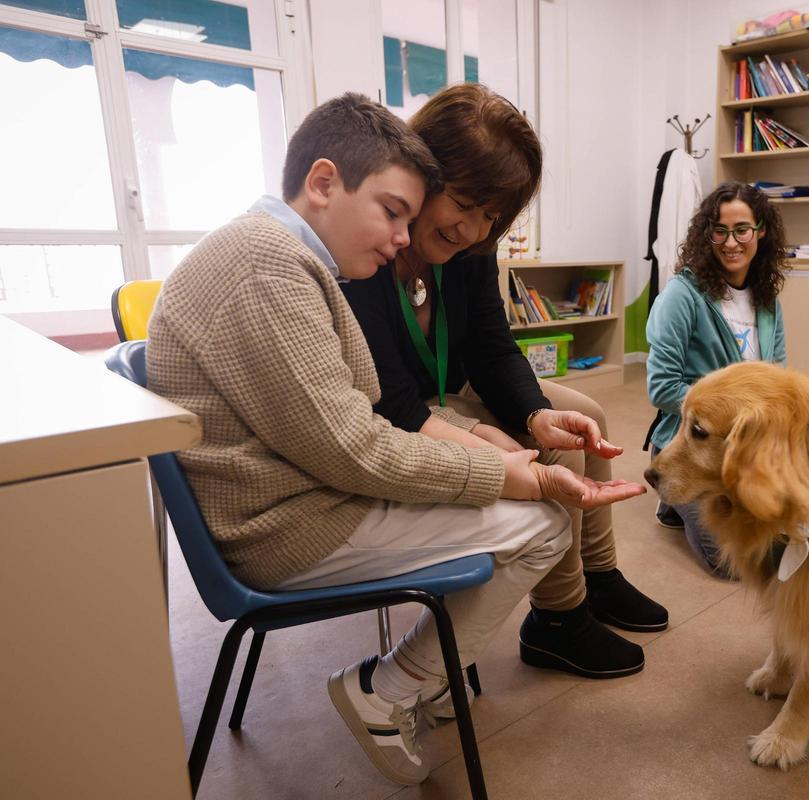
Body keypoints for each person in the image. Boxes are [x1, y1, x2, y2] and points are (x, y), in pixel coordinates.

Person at [146, 93, 643, 787]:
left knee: (534, 483)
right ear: (324, 184)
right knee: (541, 523)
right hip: (291, 522)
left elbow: (360, 427)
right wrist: (512, 472)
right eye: (392, 212)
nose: (404, 238)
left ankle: (464, 655)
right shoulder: (272, 266)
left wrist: (514, 435)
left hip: (305, 487)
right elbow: (363, 445)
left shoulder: (283, 253)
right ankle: (390, 687)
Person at [340, 83, 667, 685]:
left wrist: (536, 410)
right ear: (420, 174)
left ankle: (599, 577)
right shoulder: (365, 248)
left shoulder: (471, 246)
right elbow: (388, 402)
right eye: (464, 202)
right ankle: (558, 621)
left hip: (439, 397)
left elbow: (493, 345)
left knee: (576, 415)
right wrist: (513, 437)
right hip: (394, 415)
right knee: (544, 454)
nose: (473, 228)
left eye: (494, 215)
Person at [645, 181, 788, 577]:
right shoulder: (681, 295)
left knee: (789, 537)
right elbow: (660, 387)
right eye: (719, 230)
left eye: (741, 229)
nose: (731, 242)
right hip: (692, 445)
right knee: (733, 565)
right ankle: (673, 495)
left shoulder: (766, 298)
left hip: (746, 445)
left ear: (760, 230)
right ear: (706, 234)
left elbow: (776, 378)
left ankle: (679, 503)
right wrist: (723, 412)